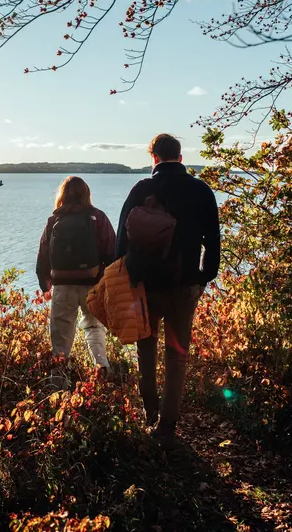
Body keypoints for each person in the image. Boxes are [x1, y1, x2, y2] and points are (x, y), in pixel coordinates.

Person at [116, 134, 220, 445]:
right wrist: (204, 278)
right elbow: (213, 241)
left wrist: (124, 277)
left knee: (145, 347)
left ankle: (149, 410)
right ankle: (167, 425)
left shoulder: (142, 189)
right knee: (177, 356)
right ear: (181, 157)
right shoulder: (201, 190)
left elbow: (122, 237)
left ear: (154, 158)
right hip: (184, 284)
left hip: (145, 287)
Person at [37, 176, 117, 369]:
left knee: (60, 342)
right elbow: (112, 252)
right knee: (94, 330)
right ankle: (102, 376)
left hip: (62, 286)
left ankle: (58, 387)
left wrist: (44, 283)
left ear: (62, 195)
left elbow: (43, 254)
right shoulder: (98, 218)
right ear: (87, 194)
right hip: (93, 285)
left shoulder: (54, 219)